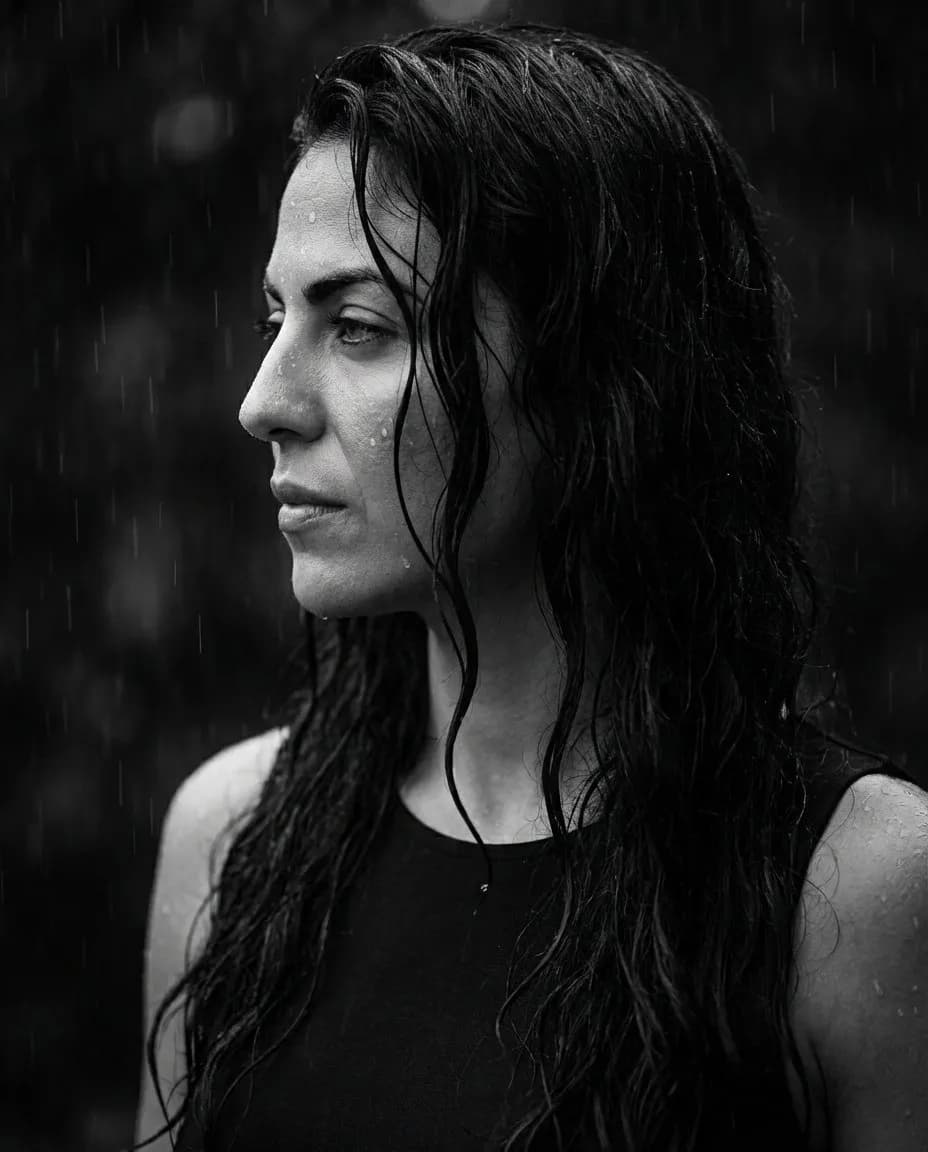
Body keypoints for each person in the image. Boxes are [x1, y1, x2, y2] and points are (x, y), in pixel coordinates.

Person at [129, 21, 928, 1152]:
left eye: (355, 327)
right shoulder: (233, 837)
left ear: (594, 372)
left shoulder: (857, 889)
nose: (266, 400)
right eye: (276, 317)